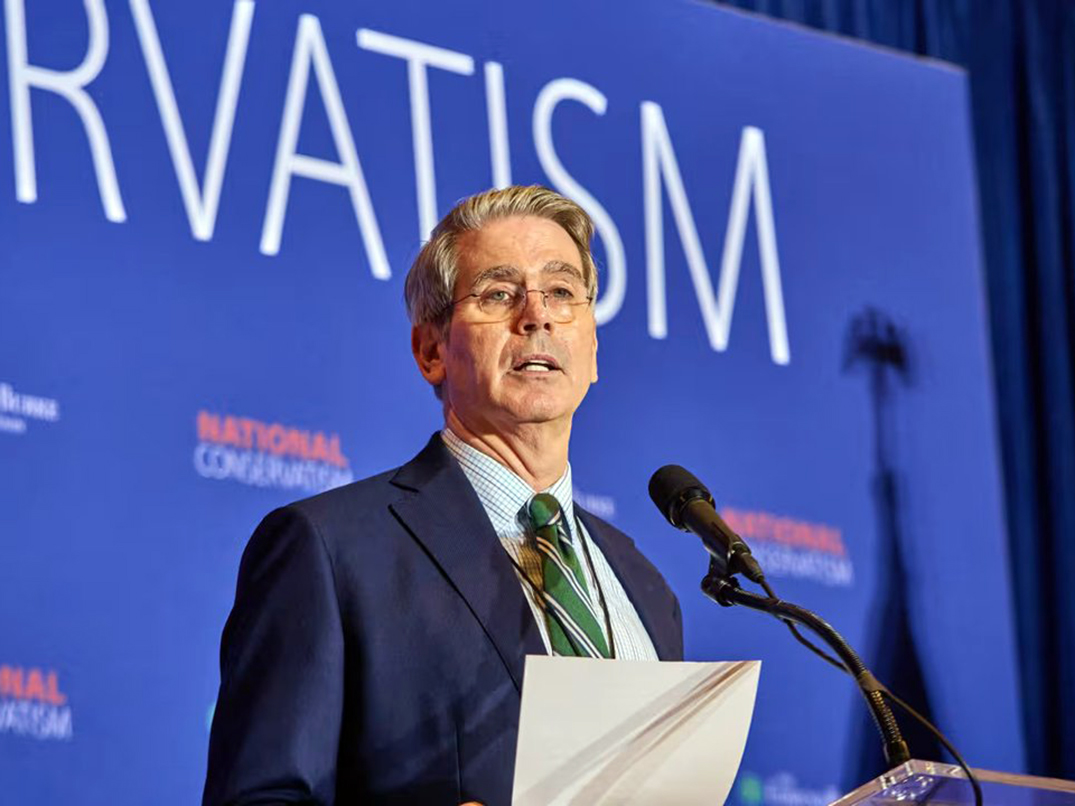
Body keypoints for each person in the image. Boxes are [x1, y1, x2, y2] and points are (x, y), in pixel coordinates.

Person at [202, 185, 683, 806]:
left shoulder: (646, 589)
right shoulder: (331, 550)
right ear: (432, 351)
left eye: (562, 292)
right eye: (499, 294)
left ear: (593, 349)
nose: (536, 315)